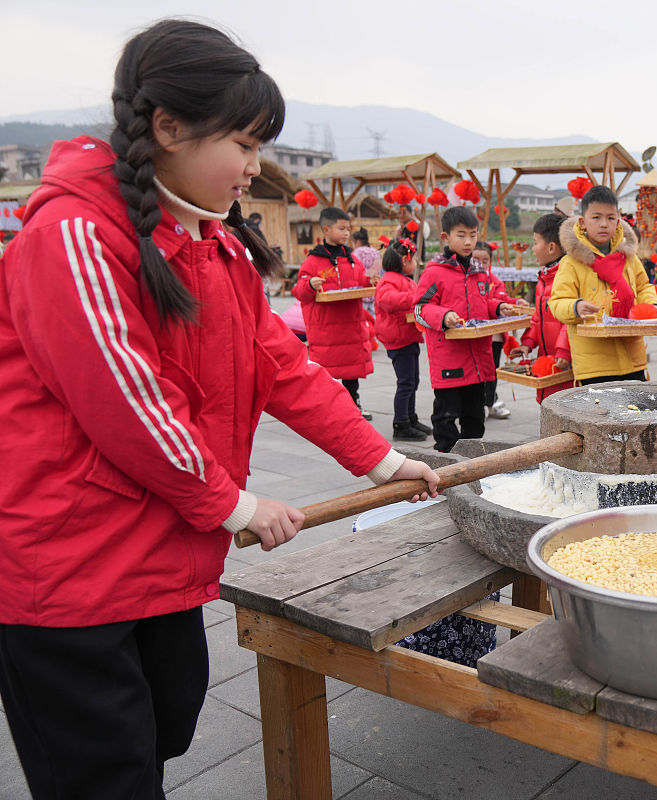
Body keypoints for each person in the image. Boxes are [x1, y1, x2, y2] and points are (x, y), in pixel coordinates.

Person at [0, 20, 439, 800]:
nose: (255, 167)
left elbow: (283, 366)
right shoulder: (73, 234)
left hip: (159, 545)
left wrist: (382, 461)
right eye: (243, 143)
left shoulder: (216, 245)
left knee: (165, 728)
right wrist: (234, 504)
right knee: (103, 774)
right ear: (169, 128)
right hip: (68, 565)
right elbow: (128, 403)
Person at [414, 206, 523, 452]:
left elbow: (482, 304)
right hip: (449, 360)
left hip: (478, 361)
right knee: (445, 418)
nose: (468, 242)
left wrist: (499, 307)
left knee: (475, 419)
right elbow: (420, 309)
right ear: (446, 237)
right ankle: (445, 462)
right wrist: (444, 316)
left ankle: (472, 460)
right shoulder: (434, 272)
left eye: (472, 235)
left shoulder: (479, 271)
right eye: (461, 235)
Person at [548, 186, 657, 384]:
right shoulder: (571, 263)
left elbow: (644, 287)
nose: (603, 224)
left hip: (633, 359)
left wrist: (652, 306)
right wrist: (576, 306)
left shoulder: (628, 257)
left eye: (610, 218)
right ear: (582, 222)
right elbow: (557, 301)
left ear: (618, 221)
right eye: (596, 217)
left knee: (637, 403)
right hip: (594, 366)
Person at [293, 206, 376, 418]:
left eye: (348, 229)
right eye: (341, 228)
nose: (346, 233)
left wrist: (370, 281)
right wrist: (310, 284)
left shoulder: (352, 259)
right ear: (326, 230)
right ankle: (330, 410)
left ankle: (353, 407)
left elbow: (361, 281)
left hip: (351, 326)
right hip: (327, 330)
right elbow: (299, 290)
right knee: (327, 375)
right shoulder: (312, 261)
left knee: (351, 372)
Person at [508, 213, 573, 403]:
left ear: (551, 247)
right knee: (548, 404)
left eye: (535, 243)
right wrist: (527, 343)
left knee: (565, 405)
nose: (533, 249)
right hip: (547, 360)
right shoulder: (543, 279)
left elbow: (571, 319)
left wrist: (564, 350)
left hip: (565, 362)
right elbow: (538, 318)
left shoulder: (568, 277)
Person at [376, 239, 432, 441]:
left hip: (407, 336)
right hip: (399, 338)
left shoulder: (402, 279)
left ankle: (410, 417)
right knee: (406, 382)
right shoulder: (390, 280)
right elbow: (387, 300)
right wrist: (413, 299)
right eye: (414, 259)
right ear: (404, 260)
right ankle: (400, 424)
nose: (416, 262)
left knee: (412, 381)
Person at [473, 240, 516, 419]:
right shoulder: (467, 281)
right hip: (475, 333)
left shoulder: (495, 282)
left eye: (485, 261)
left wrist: (516, 303)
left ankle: (490, 402)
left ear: (490, 261)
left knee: (492, 370)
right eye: (476, 260)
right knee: (476, 371)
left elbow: (504, 300)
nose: (481, 264)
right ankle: (479, 402)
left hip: (495, 335)